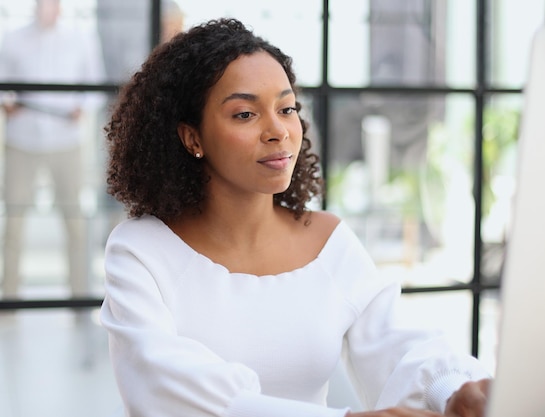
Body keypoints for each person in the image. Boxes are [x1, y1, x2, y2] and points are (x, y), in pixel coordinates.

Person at [99, 17, 491, 417]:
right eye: (245, 114)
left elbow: (399, 344)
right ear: (192, 137)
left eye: (286, 108)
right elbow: (167, 388)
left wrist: (453, 391)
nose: (278, 131)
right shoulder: (141, 251)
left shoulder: (328, 242)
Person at [0, 0, 105, 298]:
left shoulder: (80, 38)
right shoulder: (13, 38)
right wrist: (7, 103)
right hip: (22, 141)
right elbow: (4, 85)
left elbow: (94, 87)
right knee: (14, 222)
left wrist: (80, 108)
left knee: (74, 222)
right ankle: (9, 298)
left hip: (66, 142)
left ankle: (80, 296)